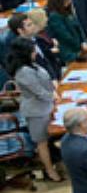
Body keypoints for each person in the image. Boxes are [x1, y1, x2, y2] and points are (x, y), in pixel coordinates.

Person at [8, 38, 60, 181]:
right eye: (32, 50)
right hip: (37, 111)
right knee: (41, 142)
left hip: (47, 106)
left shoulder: (31, 65)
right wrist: (54, 96)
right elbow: (39, 92)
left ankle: (54, 164)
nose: (35, 52)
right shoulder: (23, 71)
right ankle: (50, 171)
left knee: (49, 139)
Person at [45, 0, 86, 64]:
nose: (69, 1)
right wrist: (78, 45)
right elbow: (65, 35)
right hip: (69, 51)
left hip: (79, 47)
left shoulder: (67, 10)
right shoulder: (54, 16)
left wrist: (83, 41)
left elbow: (78, 26)